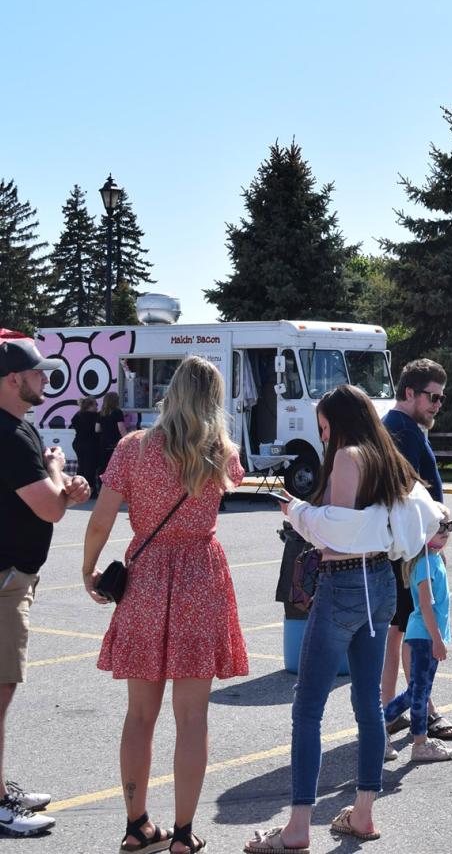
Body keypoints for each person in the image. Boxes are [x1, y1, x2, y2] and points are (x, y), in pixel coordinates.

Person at [245, 384, 441, 853]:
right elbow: (427, 517)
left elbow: (342, 530)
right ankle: (363, 813)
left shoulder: (349, 456)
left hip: (345, 581)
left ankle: (295, 829)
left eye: (324, 424)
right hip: (381, 584)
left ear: (337, 421)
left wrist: (297, 513)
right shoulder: (387, 457)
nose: (321, 433)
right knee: (367, 705)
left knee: (308, 707)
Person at [81, 355, 248, 854]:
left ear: (171, 392)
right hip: (201, 577)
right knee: (192, 718)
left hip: (146, 580)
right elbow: (232, 485)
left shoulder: (133, 449)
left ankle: (136, 826)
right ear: (213, 401)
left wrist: (87, 569)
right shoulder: (222, 452)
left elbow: (100, 520)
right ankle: (182, 834)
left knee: (139, 715)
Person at [0, 339, 88, 839]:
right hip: (6, 580)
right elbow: (50, 509)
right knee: (0, 691)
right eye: (37, 374)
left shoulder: (18, 429)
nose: (45, 380)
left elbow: (51, 502)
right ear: (14, 379)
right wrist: (58, 473)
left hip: (13, 576)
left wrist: (61, 487)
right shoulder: (11, 436)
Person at [380, 359, 452, 745]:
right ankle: (423, 711)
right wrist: (430, 546)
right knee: (415, 630)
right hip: (412, 550)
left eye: (442, 399)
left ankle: (388, 710)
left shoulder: (403, 427)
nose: (437, 405)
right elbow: (409, 498)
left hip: (410, 548)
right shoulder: (400, 431)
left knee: (398, 630)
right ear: (409, 392)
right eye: (432, 397)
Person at [383, 514, 452, 762]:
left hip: (425, 635)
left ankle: (381, 728)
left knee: (416, 692)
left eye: (449, 526)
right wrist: (437, 639)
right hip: (424, 637)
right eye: (439, 528)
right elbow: (425, 605)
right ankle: (418, 743)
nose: (446, 531)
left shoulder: (433, 559)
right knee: (419, 693)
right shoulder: (425, 564)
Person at [71, 396, 101, 497]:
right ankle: (89, 491)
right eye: (96, 404)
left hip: (78, 443)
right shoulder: (95, 416)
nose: (97, 406)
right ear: (90, 406)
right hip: (90, 444)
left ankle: (77, 488)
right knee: (90, 468)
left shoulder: (77, 415)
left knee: (81, 466)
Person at [98, 390, 127, 479]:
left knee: (104, 465)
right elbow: (121, 428)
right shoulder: (117, 412)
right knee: (114, 465)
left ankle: (102, 485)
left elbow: (97, 429)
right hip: (114, 442)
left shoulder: (101, 413)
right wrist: (127, 439)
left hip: (103, 441)